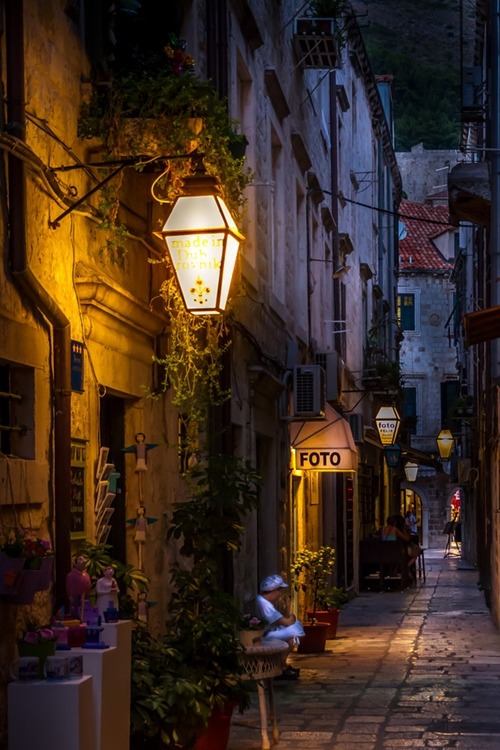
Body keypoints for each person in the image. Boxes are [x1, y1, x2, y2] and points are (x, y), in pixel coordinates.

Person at [254, 574, 305, 680]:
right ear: (273, 591)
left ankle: (283, 665)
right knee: (296, 629)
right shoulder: (264, 605)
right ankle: (280, 666)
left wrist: (288, 607)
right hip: (263, 636)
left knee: (293, 635)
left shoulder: (264, 602)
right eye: (279, 591)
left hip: (268, 632)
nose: (280, 594)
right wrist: (292, 617)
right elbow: (287, 622)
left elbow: (283, 620)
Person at [66, 555, 91, 620]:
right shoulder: (70, 575)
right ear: (75, 563)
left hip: (86, 600)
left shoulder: (86, 575)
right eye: (80, 559)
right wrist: (71, 599)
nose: (83, 561)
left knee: (86, 616)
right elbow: (69, 588)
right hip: (76, 600)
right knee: (76, 617)